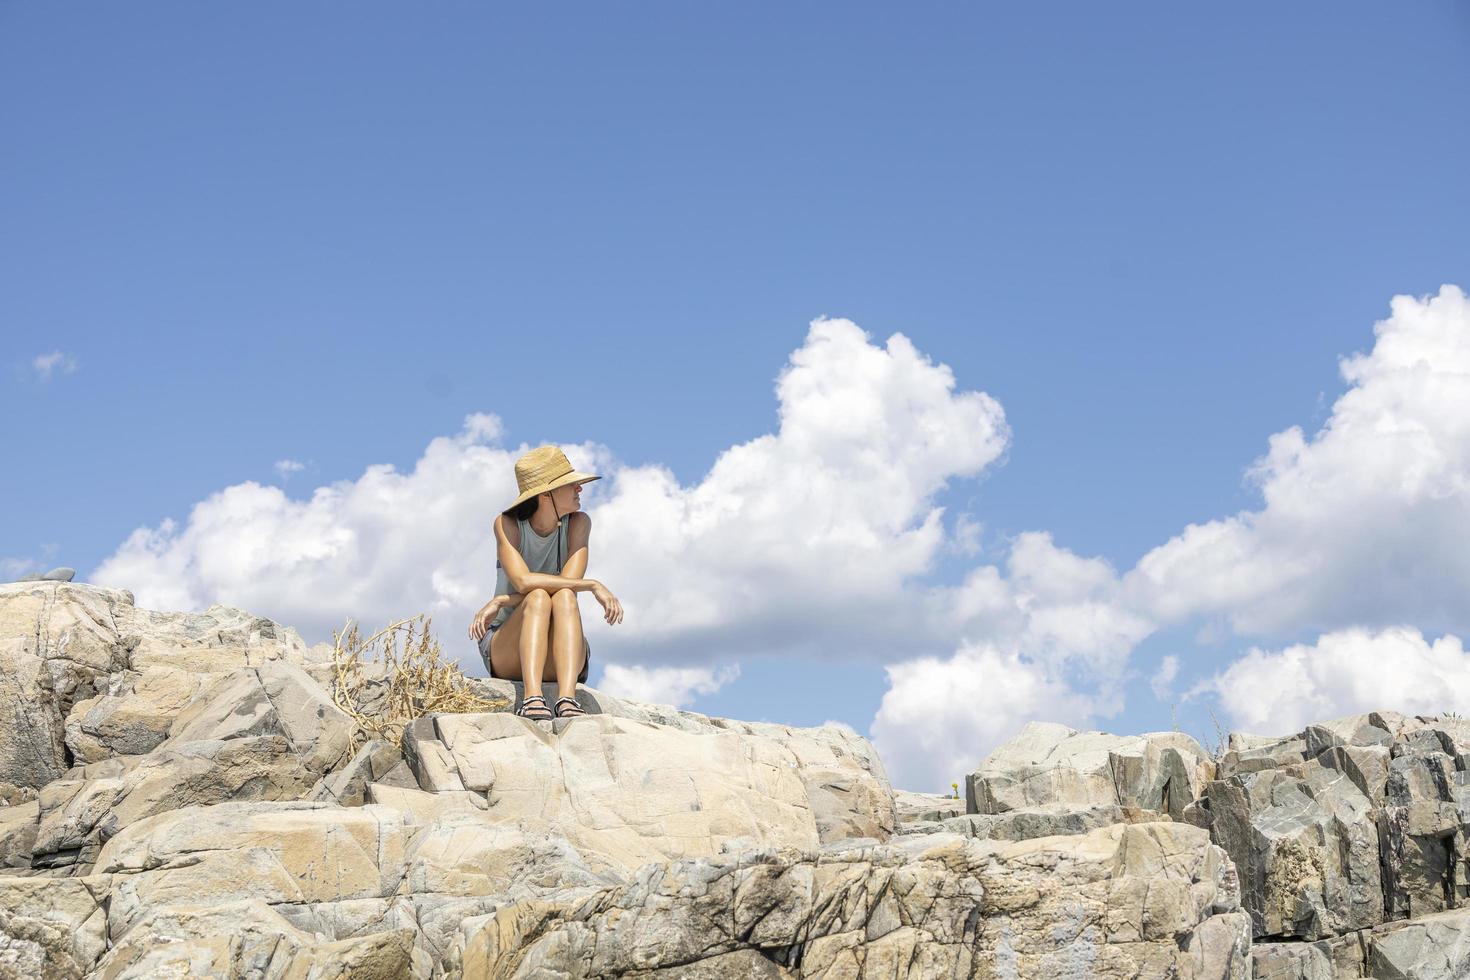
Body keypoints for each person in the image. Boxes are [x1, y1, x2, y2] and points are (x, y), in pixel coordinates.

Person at [468, 445, 624, 720]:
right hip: (509, 647)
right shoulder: (508, 525)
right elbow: (523, 581)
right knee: (539, 596)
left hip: (563, 650)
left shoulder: (579, 524)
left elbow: (566, 588)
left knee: (560, 595)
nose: (579, 489)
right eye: (571, 485)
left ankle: (567, 699)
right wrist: (593, 584)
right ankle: (532, 699)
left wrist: (503, 599)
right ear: (545, 495)